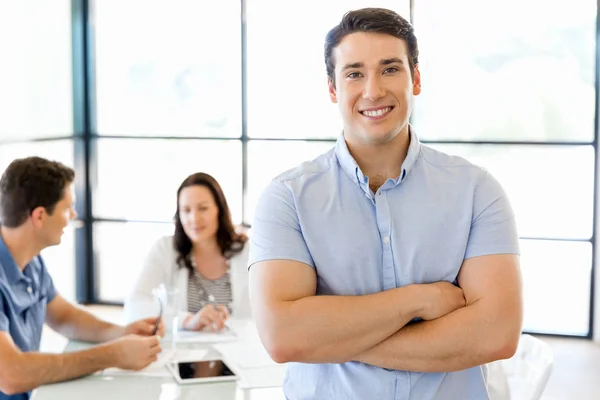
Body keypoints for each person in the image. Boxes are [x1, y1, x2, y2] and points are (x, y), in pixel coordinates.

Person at [248, 7, 522, 400]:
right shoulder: (287, 198)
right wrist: (421, 299)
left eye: (390, 69)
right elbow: (283, 336)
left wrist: (331, 339)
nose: (373, 90)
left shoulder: (477, 191)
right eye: (354, 73)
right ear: (332, 89)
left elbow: (496, 334)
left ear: (417, 79)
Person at [0, 157, 165, 400]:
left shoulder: (32, 262)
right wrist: (112, 355)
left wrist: (120, 332)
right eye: (67, 208)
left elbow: (64, 317)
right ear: (39, 216)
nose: (74, 215)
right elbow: (11, 375)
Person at [124, 172, 251, 332]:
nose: (194, 218)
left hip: (238, 352)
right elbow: (135, 302)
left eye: (203, 208)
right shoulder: (165, 248)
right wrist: (187, 320)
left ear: (220, 209)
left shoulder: (247, 251)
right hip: (184, 353)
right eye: (186, 210)